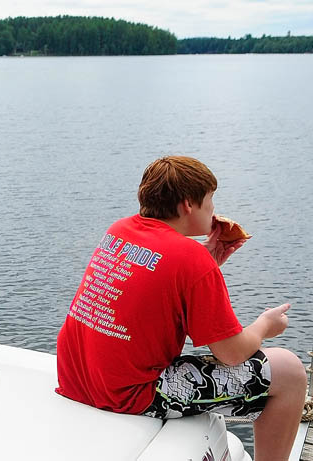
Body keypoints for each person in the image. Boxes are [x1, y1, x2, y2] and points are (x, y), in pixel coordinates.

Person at [55, 156, 305, 461]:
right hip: (131, 394)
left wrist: (208, 263)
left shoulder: (120, 231)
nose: (213, 210)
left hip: (77, 379)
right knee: (290, 372)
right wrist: (266, 326)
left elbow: (155, 289)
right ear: (188, 205)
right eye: (211, 200)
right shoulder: (190, 259)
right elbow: (232, 353)